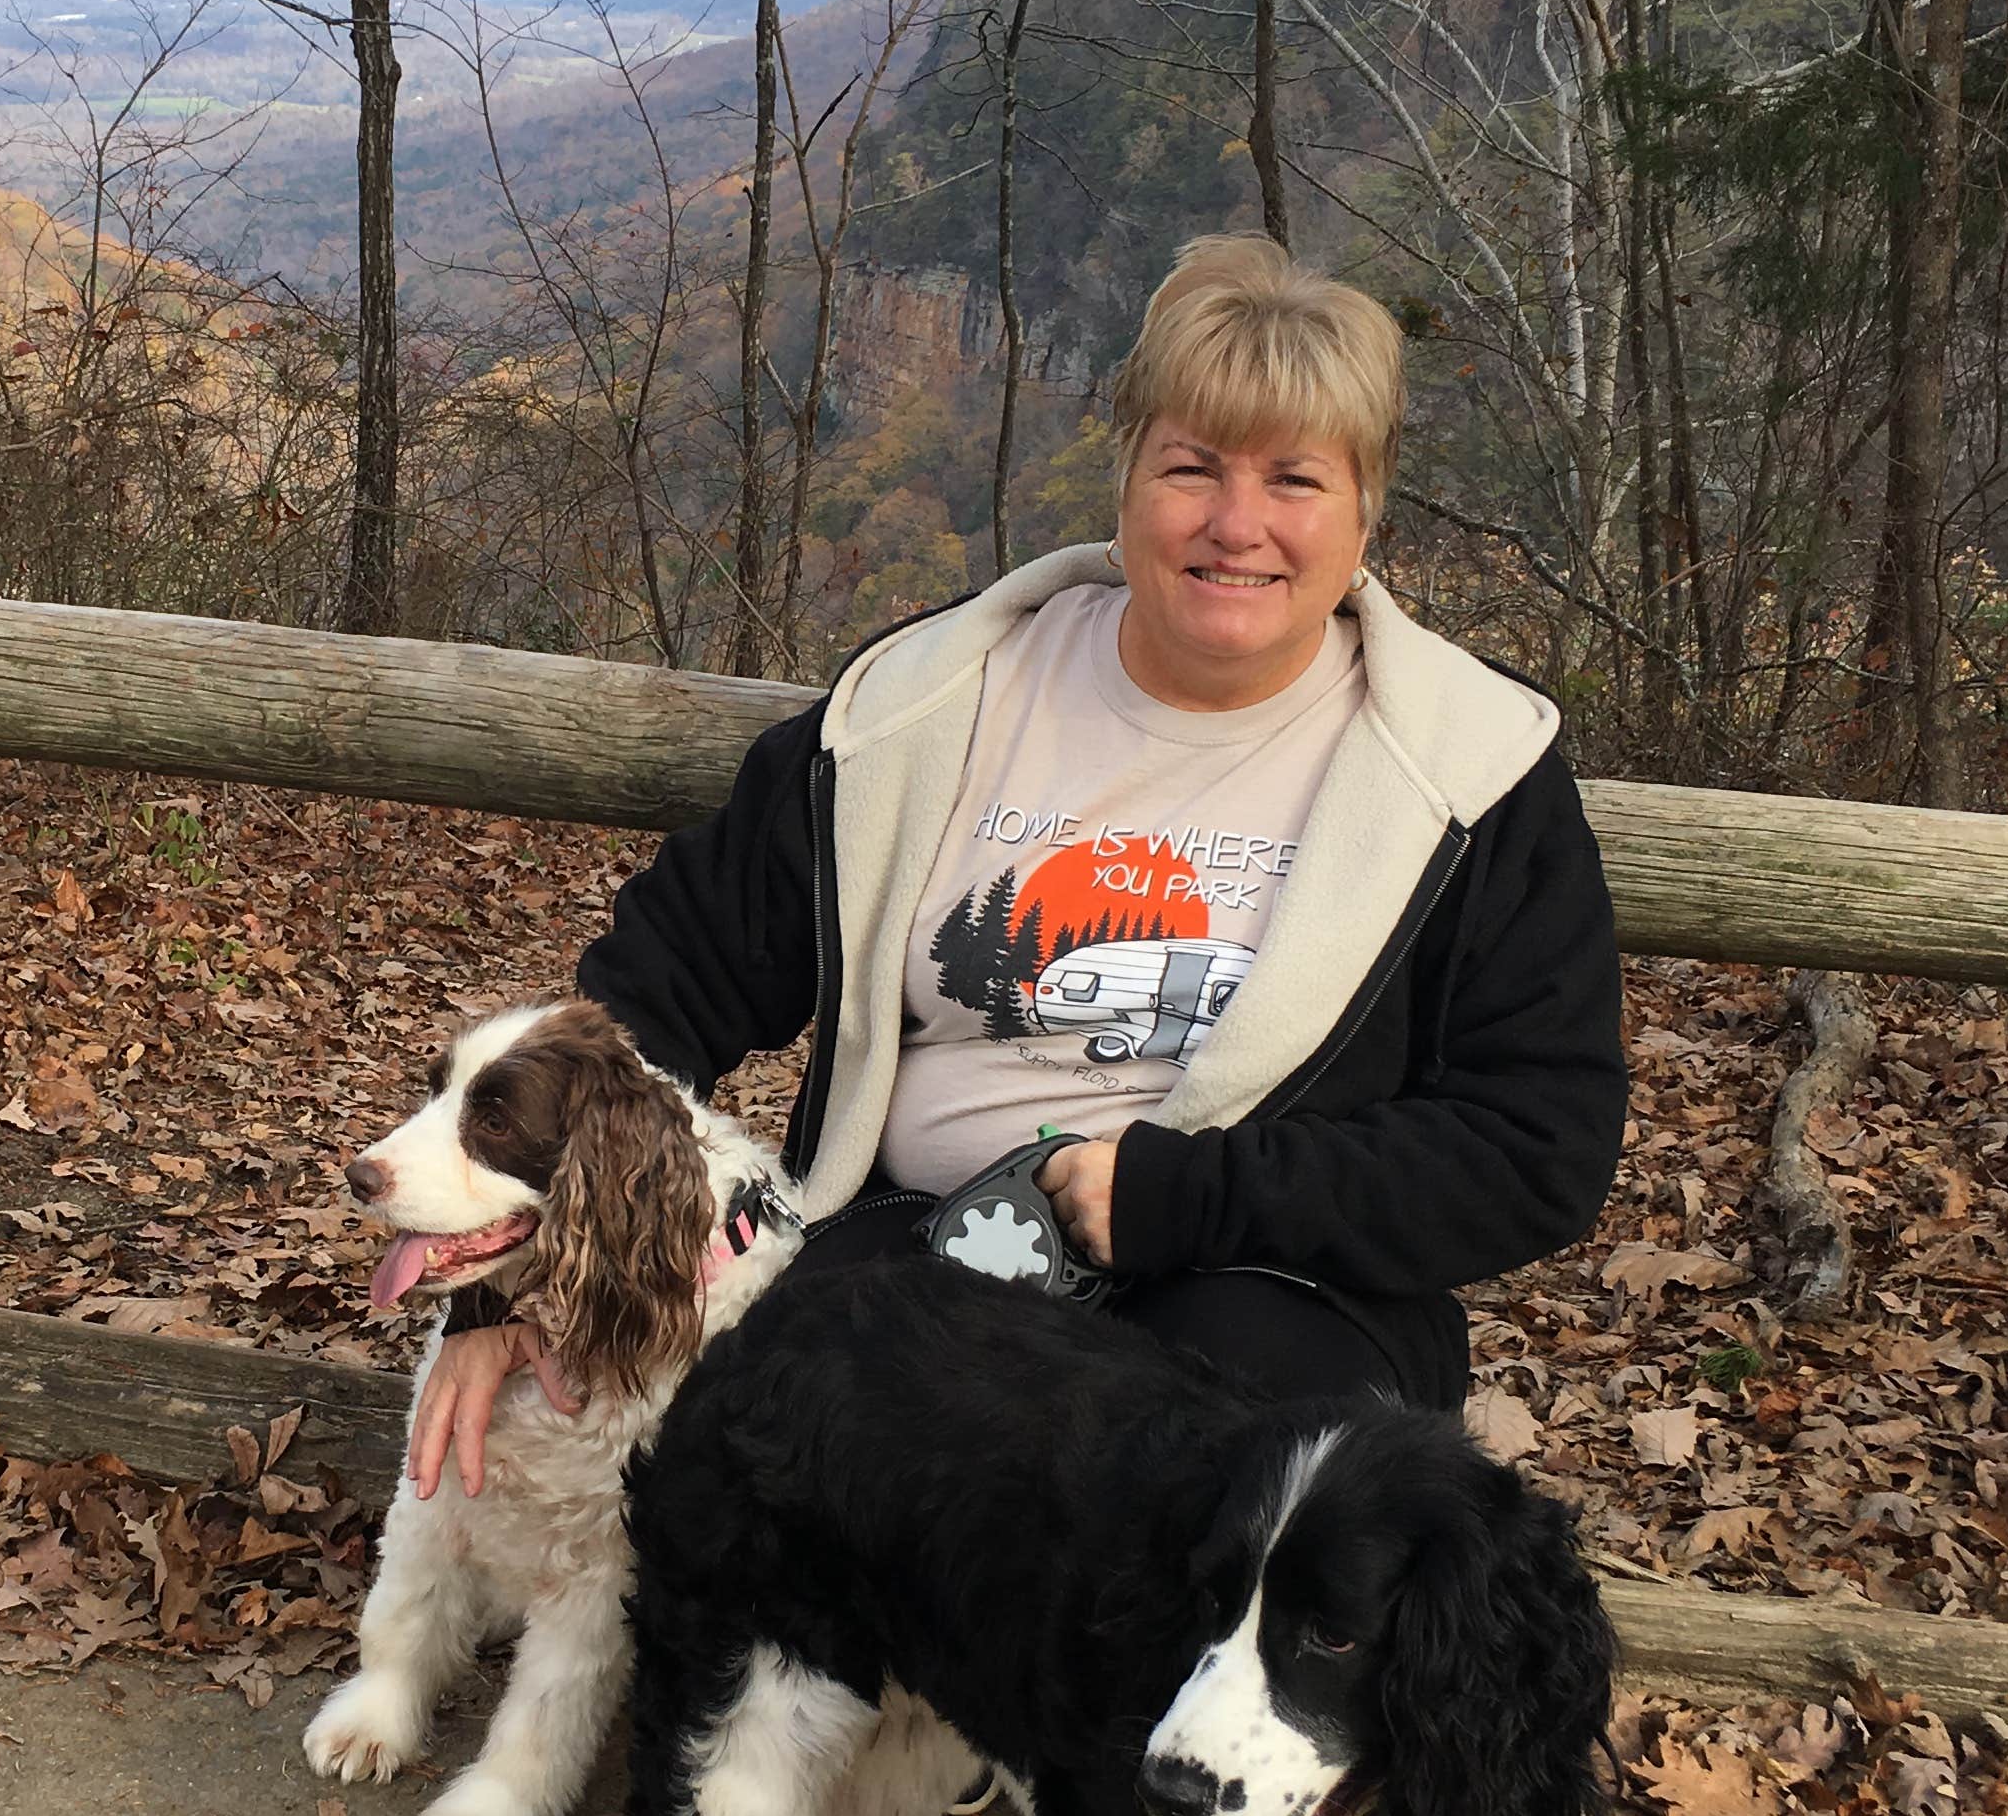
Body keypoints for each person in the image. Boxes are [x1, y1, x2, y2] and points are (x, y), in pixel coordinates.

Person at [411, 234, 1626, 1494]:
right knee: (757, 1449)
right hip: (908, 1243)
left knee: (1206, 1483)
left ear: (1367, 507)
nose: (1236, 524)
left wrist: (1191, 1198)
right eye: (1192, 467)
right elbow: (661, 991)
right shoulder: (928, 706)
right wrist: (516, 1274)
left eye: (1297, 480)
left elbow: (1538, 1140)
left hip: (1280, 1283)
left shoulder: (1467, 771)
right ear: (1125, 480)